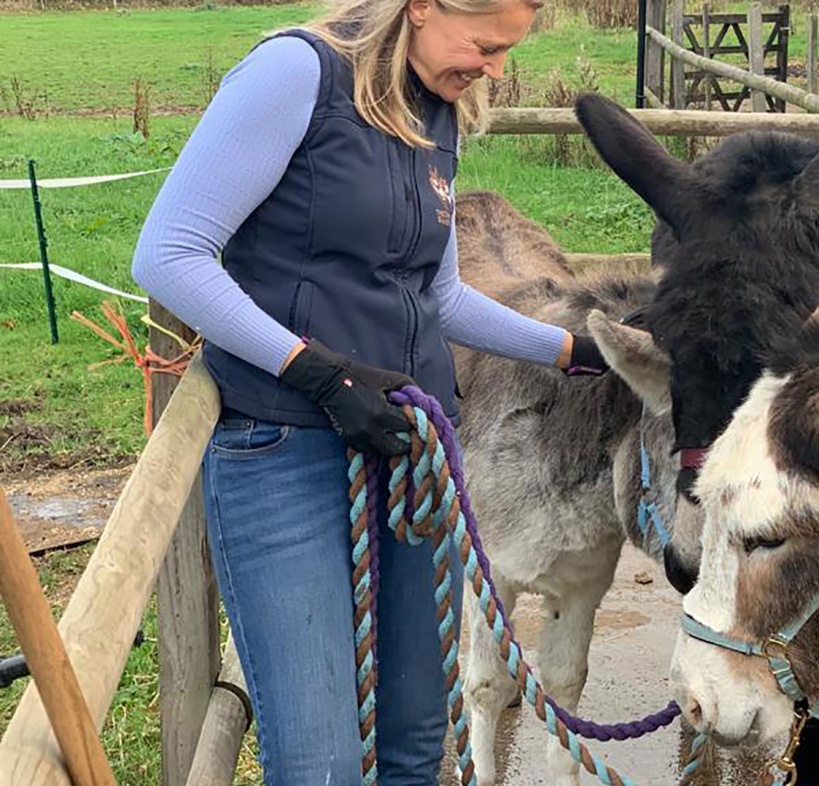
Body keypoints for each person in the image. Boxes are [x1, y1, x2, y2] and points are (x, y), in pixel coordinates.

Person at [130, 0, 607, 781]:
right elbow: (170, 254)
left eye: (505, 53)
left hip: (408, 451)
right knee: (321, 763)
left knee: (417, 746)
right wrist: (315, 369)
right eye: (486, 45)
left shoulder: (434, 108)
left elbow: (439, 296)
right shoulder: (297, 74)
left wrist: (574, 352)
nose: (494, 69)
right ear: (421, 6)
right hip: (285, 445)